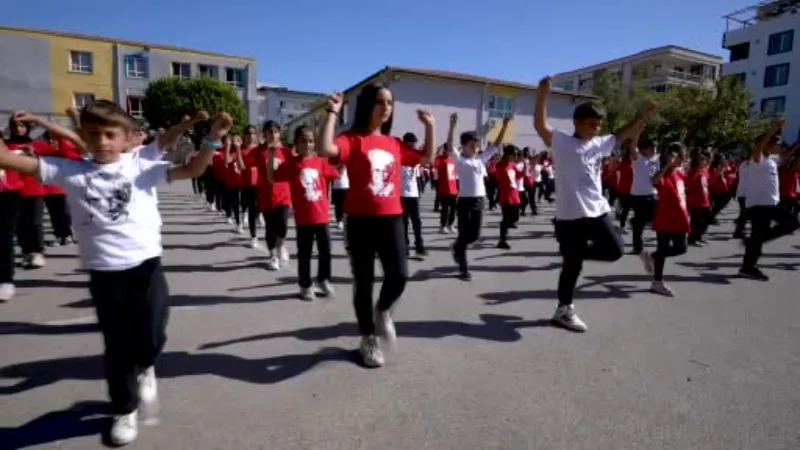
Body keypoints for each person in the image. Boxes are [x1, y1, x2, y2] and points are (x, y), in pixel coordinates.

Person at [0, 100, 232, 446]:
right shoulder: (69, 170)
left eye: (111, 134)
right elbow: (9, 160)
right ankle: (124, 409)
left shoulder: (141, 166)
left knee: (151, 337)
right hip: (104, 275)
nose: (102, 141)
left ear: (127, 139)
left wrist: (212, 138)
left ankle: (147, 364)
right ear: (83, 136)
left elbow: (194, 170)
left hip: (146, 268)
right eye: (94, 134)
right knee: (116, 347)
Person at [317, 84, 435, 368]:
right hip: (359, 222)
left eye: (390, 103)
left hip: (392, 219)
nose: (386, 108)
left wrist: (430, 126)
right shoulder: (352, 139)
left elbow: (427, 158)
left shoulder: (394, 144)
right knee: (364, 284)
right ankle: (367, 339)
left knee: (399, 275)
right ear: (367, 105)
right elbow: (324, 149)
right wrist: (332, 113)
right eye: (380, 102)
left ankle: (383, 312)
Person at [534, 75, 658, 332]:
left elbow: (625, 131)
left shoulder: (600, 144)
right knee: (572, 267)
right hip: (569, 215)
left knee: (615, 250)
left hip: (597, 211)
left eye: (598, 125)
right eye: (591, 124)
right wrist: (543, 93)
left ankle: (572, 253)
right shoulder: (562, 142)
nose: (595, 129)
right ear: (577, 123)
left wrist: (643, 115)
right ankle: (563, 310)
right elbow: (539, 124)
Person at [271, 126, 338, 301]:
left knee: (326, 250)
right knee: (305, 253)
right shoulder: (291, 165)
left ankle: (323, 279)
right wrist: (271, 157)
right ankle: (305, 284)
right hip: (304, 218)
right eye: (303, 141)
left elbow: (337, 172)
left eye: (311, 141)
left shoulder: (320, 162)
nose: (308, 145)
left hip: (322, 215)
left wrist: (346, 160)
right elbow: (273, 177)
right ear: (296, 143)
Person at [447, 112, 508, 280]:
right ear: (464, 146)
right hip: (465, 202)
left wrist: (505, 125)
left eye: (476, 144)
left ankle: (457, 247)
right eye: (471, 145)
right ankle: (463, 268)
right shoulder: (460, 160)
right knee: (464, 234)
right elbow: (450, 145)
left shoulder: (481, 159)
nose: (475, 147)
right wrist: (452, 126)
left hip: (480, 201)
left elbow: (496, 145)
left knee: (474, 235)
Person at [740, 118, 800, 280]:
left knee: (792, 223)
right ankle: (748, 267)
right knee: (757, 243)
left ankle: (754, 246)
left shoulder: (772, 161)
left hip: (772, 204)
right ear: (766, 145)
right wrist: (772, 131)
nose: (778, 146)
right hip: (759, 205)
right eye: (775, 144)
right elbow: (758, 147)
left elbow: (787, 155)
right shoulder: (756, 160)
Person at [641, 143, 688, 296]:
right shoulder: (663, 174)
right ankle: (657, 283)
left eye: (683, 155)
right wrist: (667, 164)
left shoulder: (680, 173)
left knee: (681, 248)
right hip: (665, 219)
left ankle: (653, 256)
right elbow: (654, 181)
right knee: (663, 249)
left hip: (680, 218)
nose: (683, 158)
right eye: (680, 156)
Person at [628, 133, 660, 255]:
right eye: (652, 148)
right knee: (639, 224)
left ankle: (661, 244)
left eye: (656, 148)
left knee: (657, 220)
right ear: (645, 149)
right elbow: (633, 147)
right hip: (638, 195)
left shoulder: (657, 158)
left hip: (653, 194)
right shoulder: (639, 158)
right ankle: (637, 248)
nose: (655, 150)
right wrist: (637, 132)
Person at [400, 132, 427, 258]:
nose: (414, 145)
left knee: (417, 221)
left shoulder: (415, 153)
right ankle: (404, 246)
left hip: (413, 193)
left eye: (415, 142)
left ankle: (419, 246)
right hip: (401, 194)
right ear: (406, 142)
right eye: (412, 142)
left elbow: (427, 154)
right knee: (404, 222)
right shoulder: (399, 153)